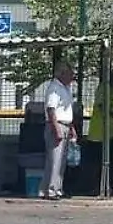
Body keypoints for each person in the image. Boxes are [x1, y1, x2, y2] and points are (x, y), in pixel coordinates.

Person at [39, 60, 77, 201]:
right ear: (62, 73)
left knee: (61, 161)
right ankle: (51, 190)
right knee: (55, 160)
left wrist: (71, 128)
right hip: (57, 125)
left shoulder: (65, 88)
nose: (72, 77)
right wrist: (57, 129)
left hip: (65, 124)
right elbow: (51, 109)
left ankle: (56, 188)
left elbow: (66, 110)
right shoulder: (54, 88)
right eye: (69, 73)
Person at [86, 67, 113, 194]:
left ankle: (110, 186)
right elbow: (101, 105)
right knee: (97, 162)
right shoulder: (103, 88)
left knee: (112, 161)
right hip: (98, 132)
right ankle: (96, 187)